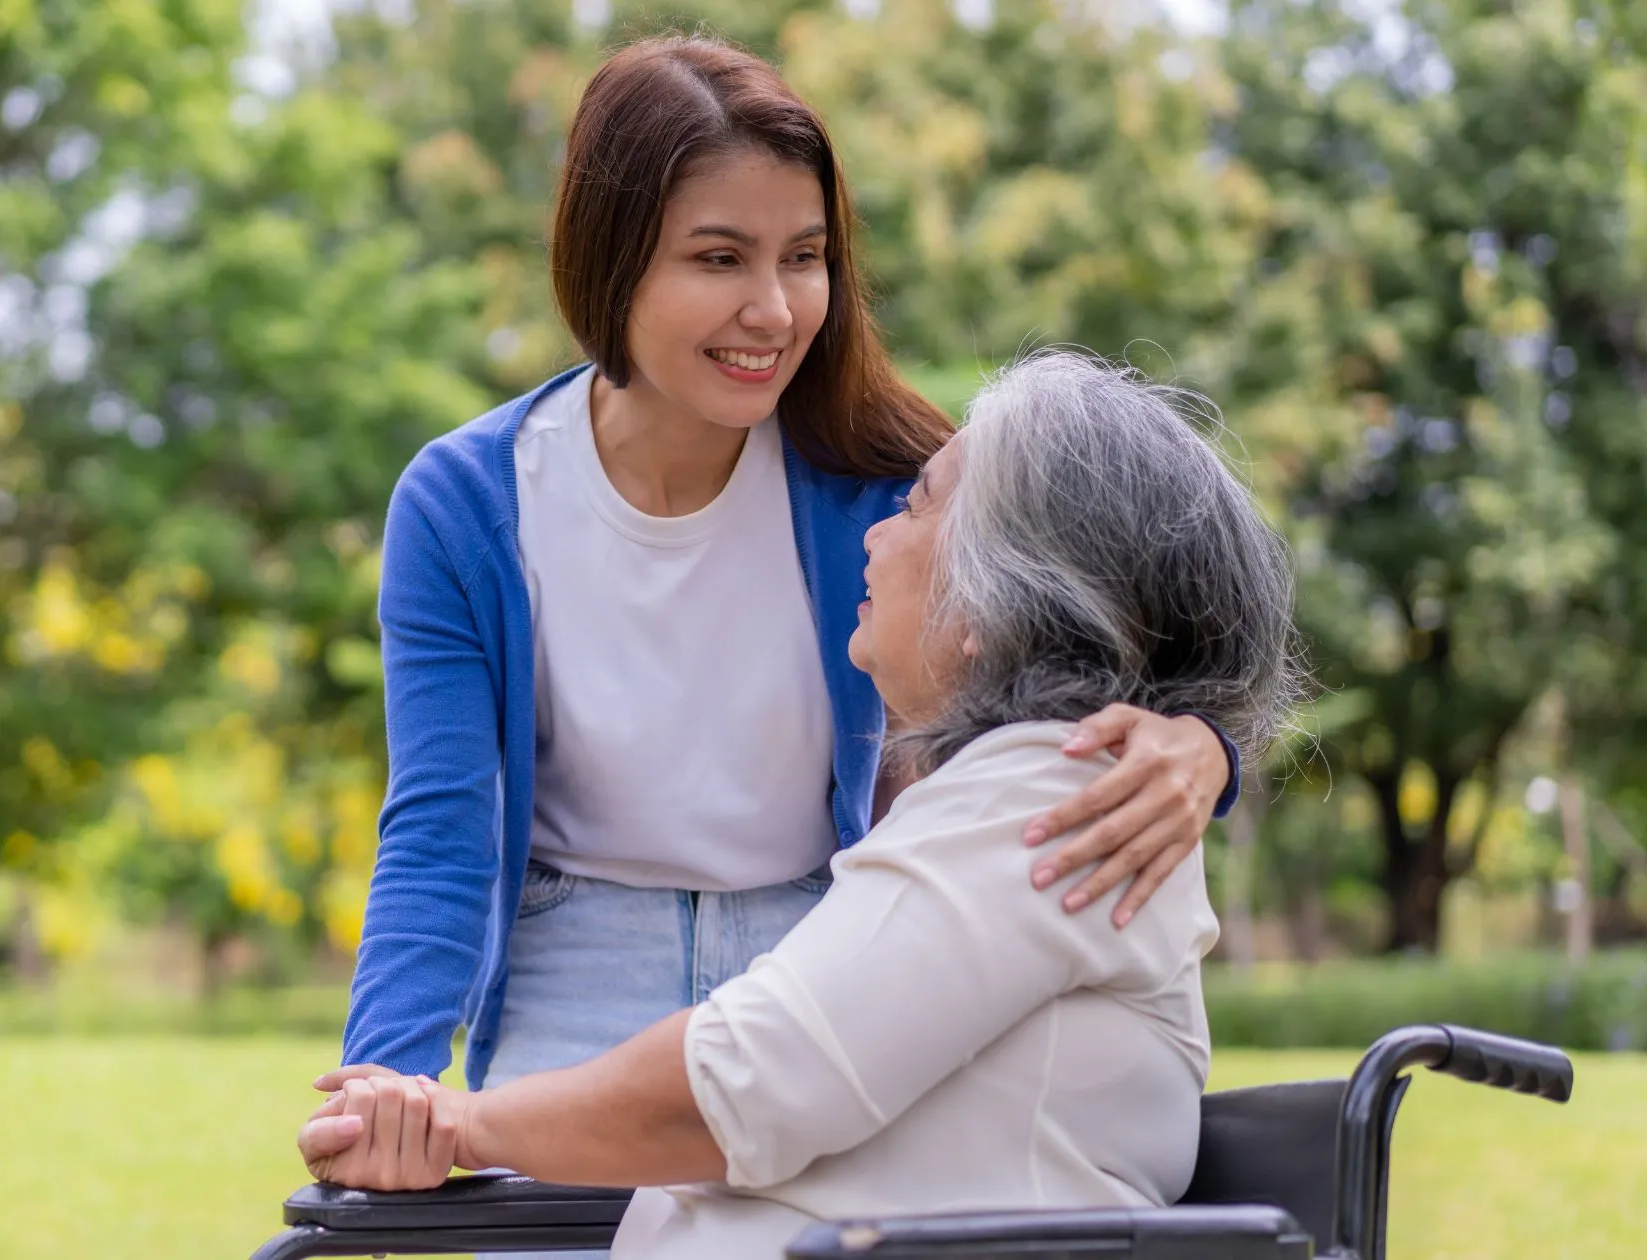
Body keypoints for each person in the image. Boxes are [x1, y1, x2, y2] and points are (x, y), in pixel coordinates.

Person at [341, 34, 1240, 1115]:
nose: (773, 310)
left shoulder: (894, 485)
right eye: (718, 259)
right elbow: (438, 827)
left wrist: (1203, 748)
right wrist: (382, 1082)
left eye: (802, 257)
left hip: (833, 959)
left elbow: (1081, 667)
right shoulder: (466, 505)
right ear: (609, 260)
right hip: (571, 968)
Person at [296, 350, 1307, 1260]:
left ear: (991, 604)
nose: (876, 531)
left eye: (912, 508)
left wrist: (455, 1124)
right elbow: (439, 833)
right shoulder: (1016, 789)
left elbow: (744, 1084)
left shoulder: (1052, 791)